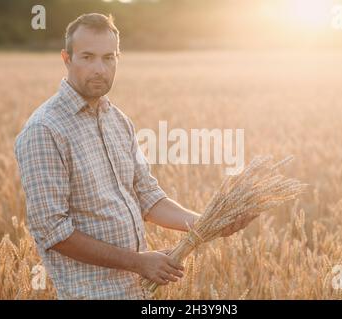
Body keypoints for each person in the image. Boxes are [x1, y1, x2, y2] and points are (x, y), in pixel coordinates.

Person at [14, 13, 254, 299]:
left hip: (135, 293)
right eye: (87, 57)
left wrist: (209, 223)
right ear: (66, 58)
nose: (99, 69)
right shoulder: (44, 130)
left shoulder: (117, 120)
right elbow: (53, 232)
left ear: (118, 59)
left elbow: (147, 197)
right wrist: (139, 262)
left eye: (108, 58)